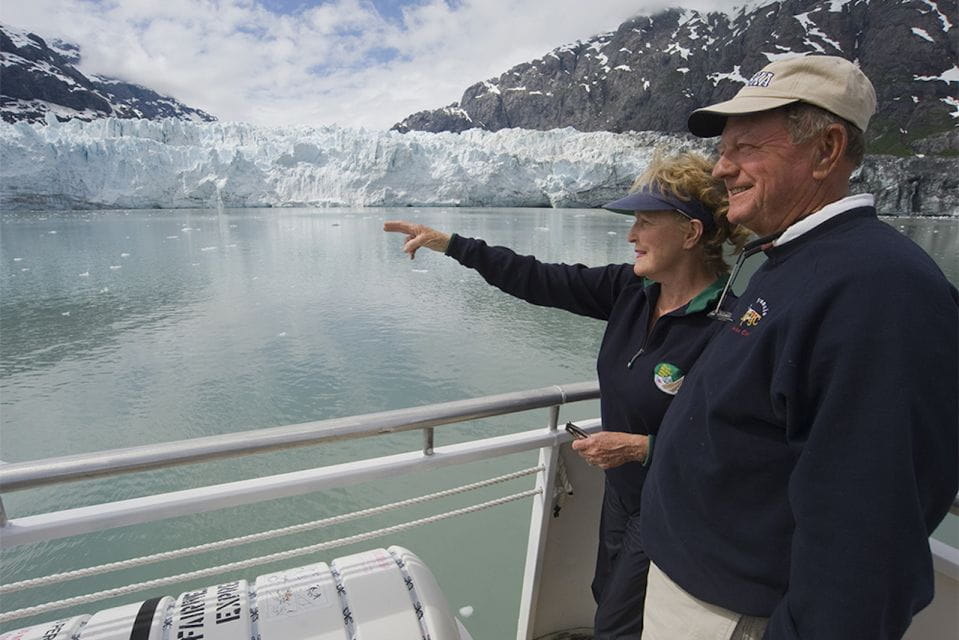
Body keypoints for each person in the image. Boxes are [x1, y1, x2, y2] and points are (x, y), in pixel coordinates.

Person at [638, 55, 959, 640]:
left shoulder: (877, 290)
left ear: (826, 151)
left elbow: (870, 536)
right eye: (723, 149)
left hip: (738, 616)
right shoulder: (793, 259)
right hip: (702, 593)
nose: (720, 169)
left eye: (744, 147)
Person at [384, 152, 748, 639]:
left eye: (644, 222)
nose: (630, 235)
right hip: (621, 495)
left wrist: (643, 448)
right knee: (605, 596)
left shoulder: (729, 326)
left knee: (617, 625)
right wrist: (454, 245)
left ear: (690, 233)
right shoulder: (631, 290)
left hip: (671, 505)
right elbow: (540, 278)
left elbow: (738, 442)